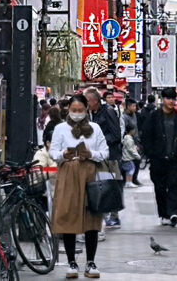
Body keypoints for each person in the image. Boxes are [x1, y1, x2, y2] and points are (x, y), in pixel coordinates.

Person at [50, 94, 109, 279]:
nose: (76, 114)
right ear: (68, 109)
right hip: (68, 174)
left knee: (92, 217)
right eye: (73, 110)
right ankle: (71, 263)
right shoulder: (60, 128)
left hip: (91, 173)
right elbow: (53, 152)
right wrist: (63, 154)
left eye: (80, 110)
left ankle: (90, 262)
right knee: (68, 216)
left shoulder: (95, 128)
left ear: (86, 109)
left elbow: (105, 152)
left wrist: (91, 154)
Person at [141, 87, 177, 227]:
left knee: (174, 185)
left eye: (173, 99)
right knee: (160, 187)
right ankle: (163, 213)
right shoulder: (153, 117)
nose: (171, 101)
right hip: (158, 159)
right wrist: (151, 154)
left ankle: (173, 213)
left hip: (175, 159)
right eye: (168, 98)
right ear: (163, 100)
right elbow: (146, 137)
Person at [84, 87, 123, 229]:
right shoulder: (89, 113)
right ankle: (102, 214)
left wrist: (99, 141)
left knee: (111, 185)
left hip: (110, 154)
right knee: (98, 185)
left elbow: (116, 135)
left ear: (95, 101)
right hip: (95, 156)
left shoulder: (108, 112)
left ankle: (114, 216)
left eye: (87, 100)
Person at [120, 99, 142, 186]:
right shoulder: (124, 117)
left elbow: (136, 127)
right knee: (129, 161)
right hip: (128, 141)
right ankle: (127, 180)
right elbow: (123, 130)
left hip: (136, 140)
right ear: (128, 107)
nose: (135, 108)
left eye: (135, 106)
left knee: (137, 161)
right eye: (133, 106)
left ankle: (134, 178)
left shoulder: (134, 115)